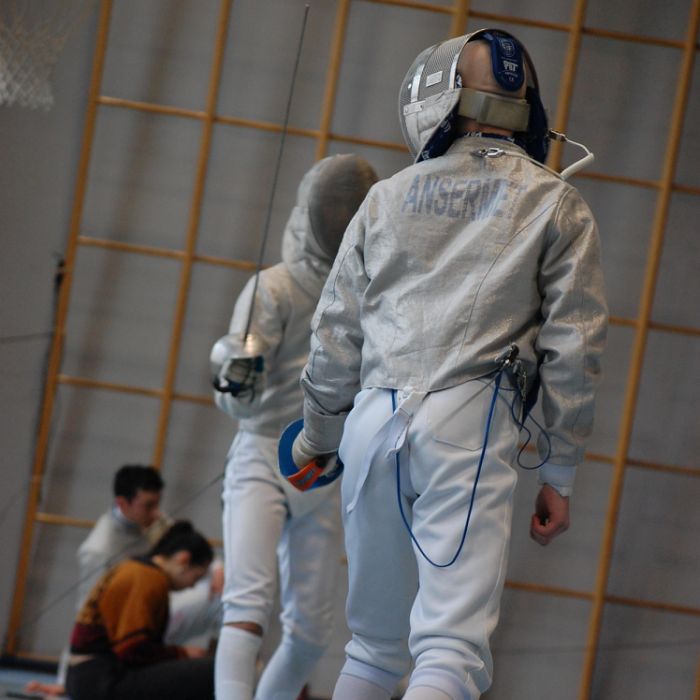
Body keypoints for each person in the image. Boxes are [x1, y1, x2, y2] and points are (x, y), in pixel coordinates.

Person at [287, 29, 608, 700]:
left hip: (370, 423)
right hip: (468, 426)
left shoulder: (386, 198)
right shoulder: (555, 201)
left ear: (435, 99)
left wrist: (318, 437)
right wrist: (559, 473)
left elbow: (335, 333)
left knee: (372, 649)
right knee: (449, 653)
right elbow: (574, 349)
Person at [211, 154, 378, 700]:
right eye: (335, 208)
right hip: (263, 455)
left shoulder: (371, 296)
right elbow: (237, 390)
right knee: (247, 605)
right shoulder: (274, 287)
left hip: (325, 467)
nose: (341, 217)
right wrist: (238, 373)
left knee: (310, 634)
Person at [25, 465, 222, 697]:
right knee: (212, 671)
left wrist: (218, 568)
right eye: (148, 506)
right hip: (104, 671)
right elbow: (90, 622)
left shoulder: (155, 535)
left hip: (115, 659)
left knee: (220, 601)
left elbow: (189, 545)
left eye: (157, 504)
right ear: (123, 503)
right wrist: (66, 683)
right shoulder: (102, 552)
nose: (156, 513)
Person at [65, 521, 215, 700]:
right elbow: (132, 649)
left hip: (91, 675)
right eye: (196, 577)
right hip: (101, 678)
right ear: (183, 559)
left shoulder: (139, 571)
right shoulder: (145, 577)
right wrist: (181, 654)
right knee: (213, 671)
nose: (192, 586)